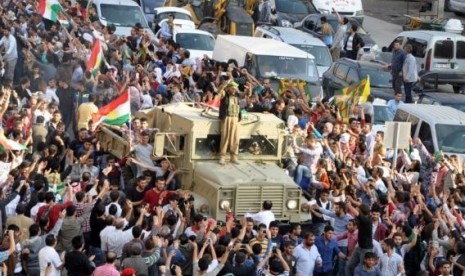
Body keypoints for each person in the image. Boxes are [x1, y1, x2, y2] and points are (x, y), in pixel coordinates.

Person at [218, 81, 242, 165]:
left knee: (235, 138)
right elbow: (219, 90)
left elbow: (246, 95)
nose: (234, 90)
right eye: (233, 88)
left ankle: (234, 156)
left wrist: (249, 89)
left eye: (235, 89)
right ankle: (222, 156)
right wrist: (225, 84)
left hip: (235, 118)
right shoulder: (225, 95)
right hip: (227, 118)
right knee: (225, 137)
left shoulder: (237, 96)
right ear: (229, 88)